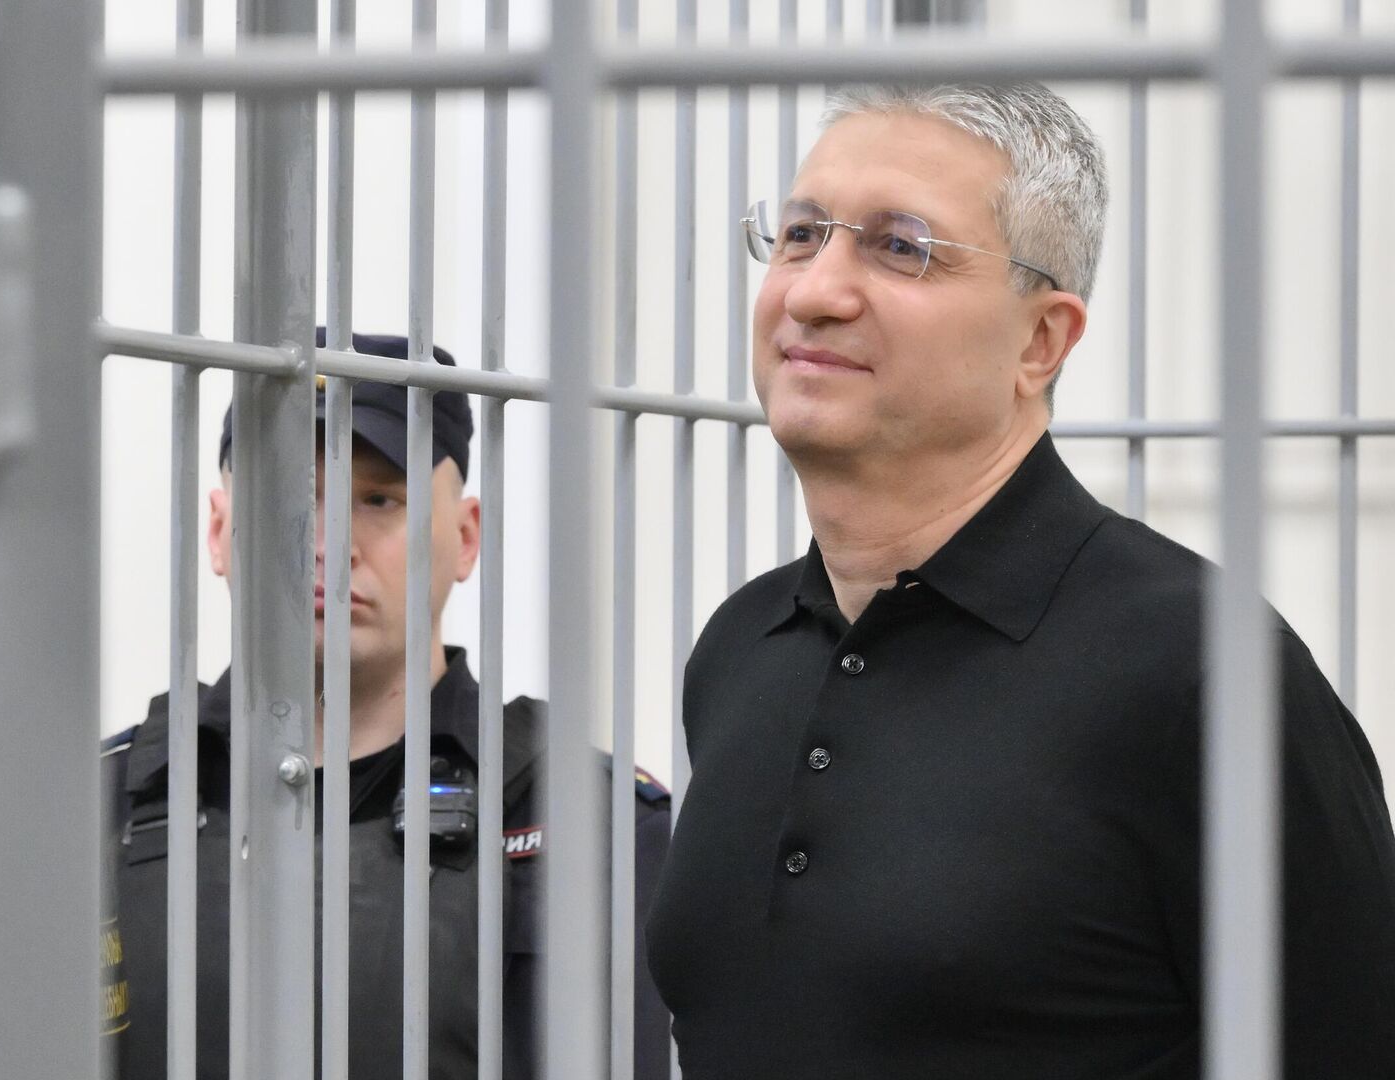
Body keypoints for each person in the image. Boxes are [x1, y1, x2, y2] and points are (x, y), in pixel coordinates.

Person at [644, 83, 1395, 1078]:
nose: (815, 292)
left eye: (900, 246)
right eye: (800, 235)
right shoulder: (743, 645)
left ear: (1041, 341)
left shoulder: (1204, 678)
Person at [104, 330, 673, 1079]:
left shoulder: (583, 820)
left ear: (465, 537)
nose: (326, 543)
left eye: (379, 499)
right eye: (286, 491)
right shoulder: (100, 804)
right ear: (218, 530)